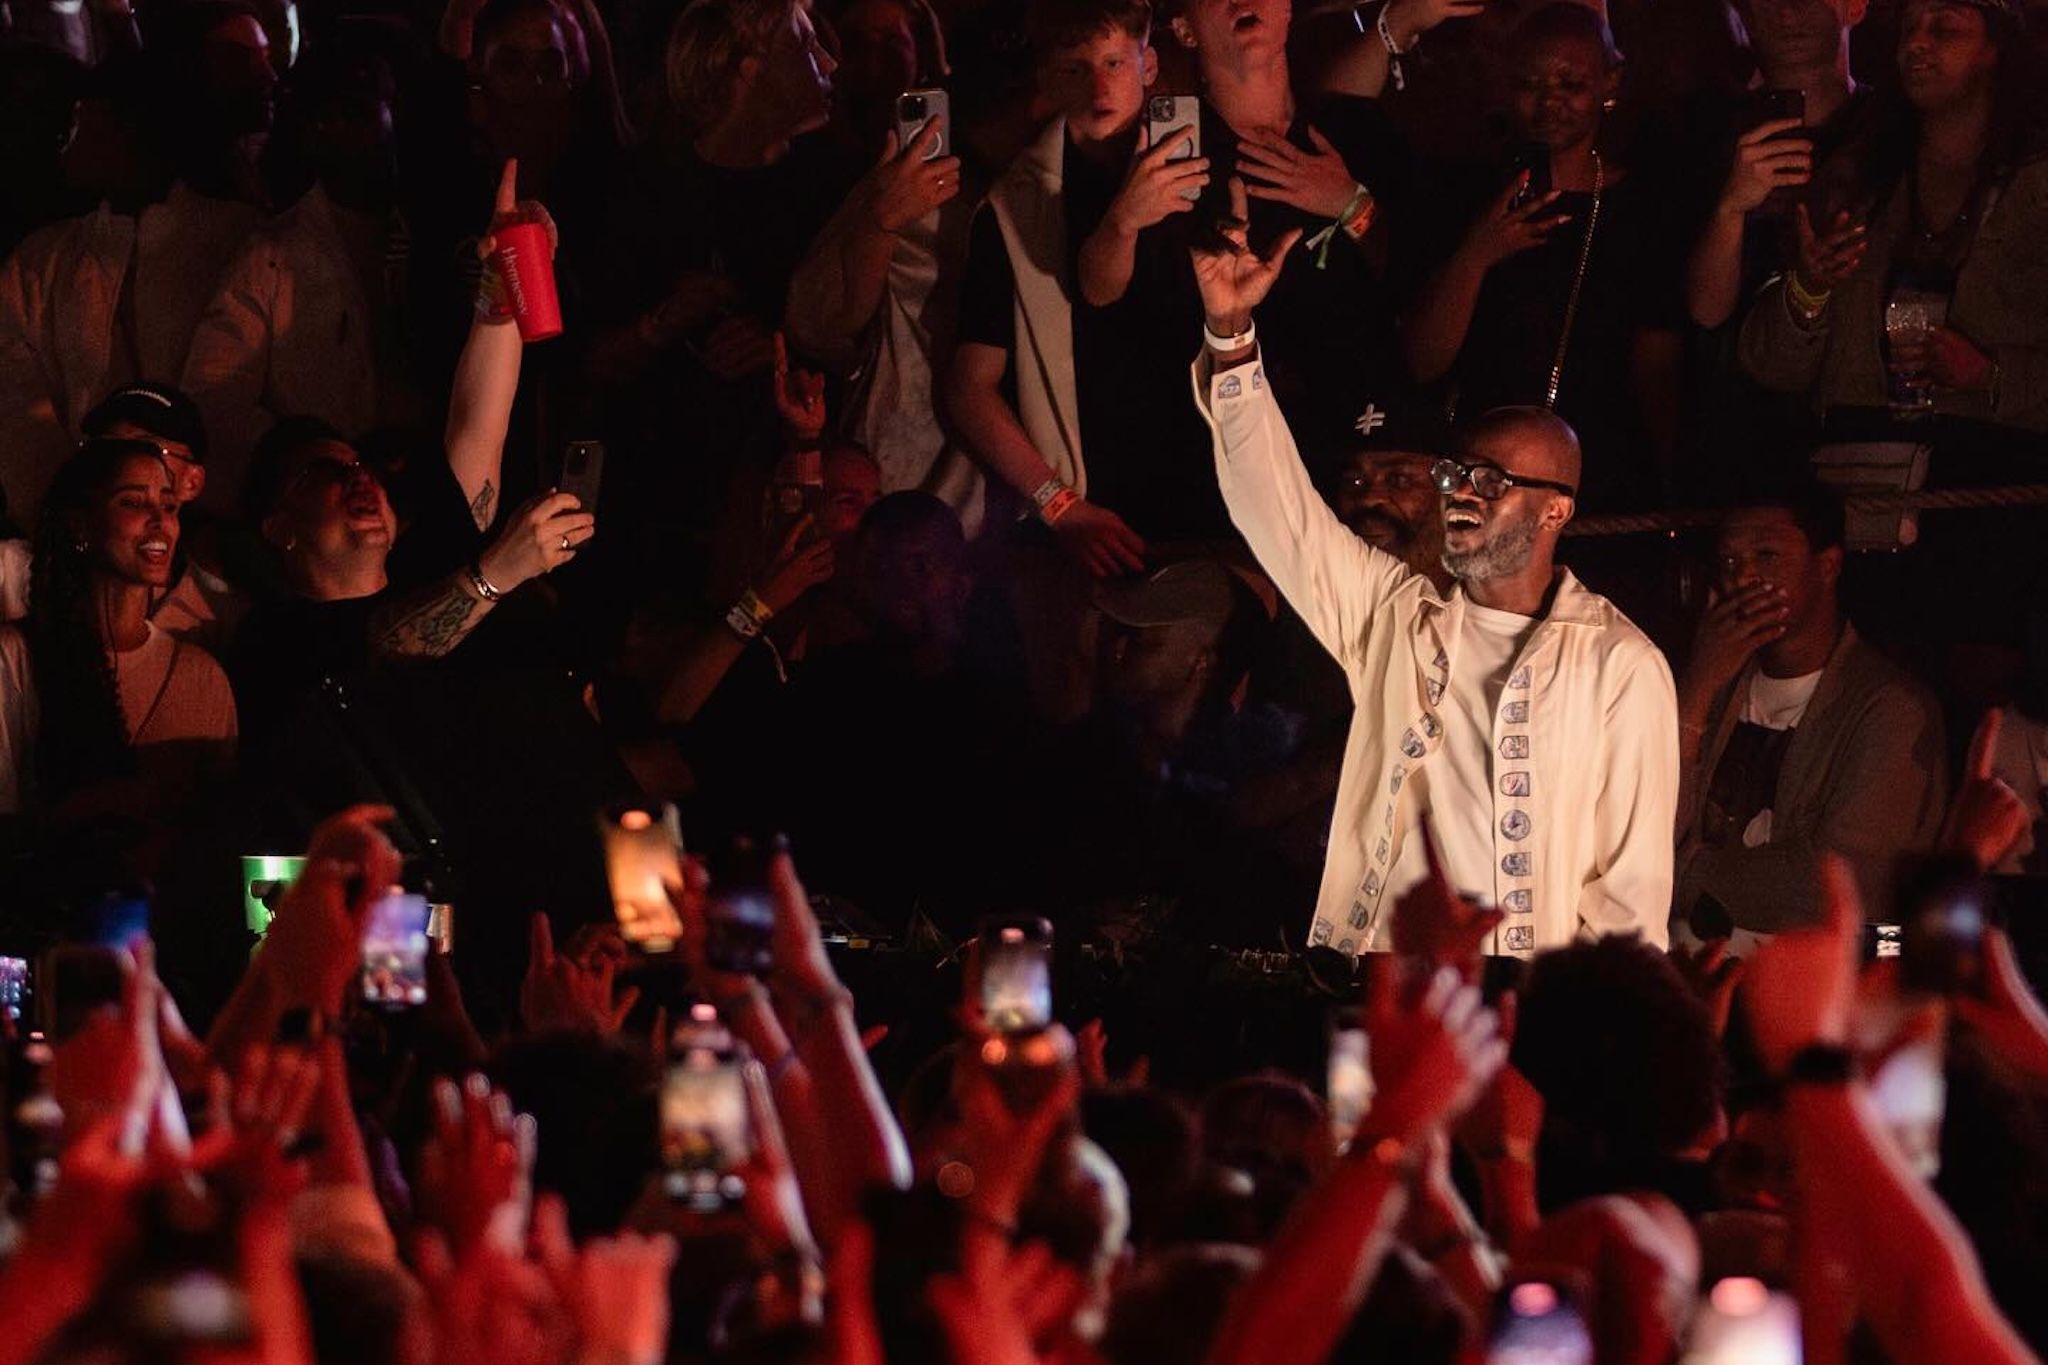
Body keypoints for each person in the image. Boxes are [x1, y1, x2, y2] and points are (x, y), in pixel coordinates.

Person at [1187, 182, 1678, 955]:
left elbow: (1630, 898)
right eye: (1455, 476)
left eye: (1490, 481)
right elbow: (1275, 509)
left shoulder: (1620, 664)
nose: (1462, 495)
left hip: (1515, 1000)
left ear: (1556, 511)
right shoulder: (1396, 614)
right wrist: (1231, 335)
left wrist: (1572, 1019)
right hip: (1378, 982)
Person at [945, 0, 1225, 568]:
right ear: (1047, 80)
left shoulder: (1210, 162)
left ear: (1148, 65)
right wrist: (1060, 505)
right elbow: (969, 387)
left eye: (1114, 63)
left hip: (1219, 489)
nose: (1099, 86)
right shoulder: (1015, 204)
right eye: (1075, 68)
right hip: (1095, 509)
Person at [1400, 2, 1684, 510]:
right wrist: (1476, 255)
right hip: (1478, 467)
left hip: (1604, 471)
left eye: (1570, 84)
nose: (1550, 100)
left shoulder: (1643, 207)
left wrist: (1669, 482)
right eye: (1530, 84)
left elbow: (1656, 366)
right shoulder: (1464, 194)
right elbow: (1422, 361)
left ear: (1610, 82)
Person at [1738, 0, 2048, 433]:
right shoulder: (1858, 180)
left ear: (1995, 48)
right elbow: (1771, 369)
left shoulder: (2036, 190)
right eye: (1908, 29)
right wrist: (1808, 290)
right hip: (1861, 459)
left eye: (1944, 29)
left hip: (1994, 461)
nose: (1916, 43)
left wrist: (1992, 376)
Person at [1674, 484, 1948, 943]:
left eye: (1767, 556)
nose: (1744, 578)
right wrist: (1696, 689)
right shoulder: (1714, 689)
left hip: (1814, 976)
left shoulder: (1891, 708)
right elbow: (1643, 825)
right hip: (1690, 965)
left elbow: (1830, 889)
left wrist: (1673, 874)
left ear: (1828, 566)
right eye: (1729, 562)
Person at [181, 41, 416, 497]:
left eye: (358, 111)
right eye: (323, 117)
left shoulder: (434, 236)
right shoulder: (269, 257)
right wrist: (311, 471)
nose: (341, 130)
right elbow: (215, 397)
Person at [0, 437, 237, 820]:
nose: (160, 521)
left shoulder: (203, 677)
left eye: (169, 506)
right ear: (80, 525)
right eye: (133, 502)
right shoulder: (16, 657)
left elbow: (225, 821)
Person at [1329, 400, 1454, 594]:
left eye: (1399, 480)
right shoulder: (1311, 596)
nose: (1369, 499)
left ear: (1450, 493)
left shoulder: (1488, 606)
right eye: (1354, 480)